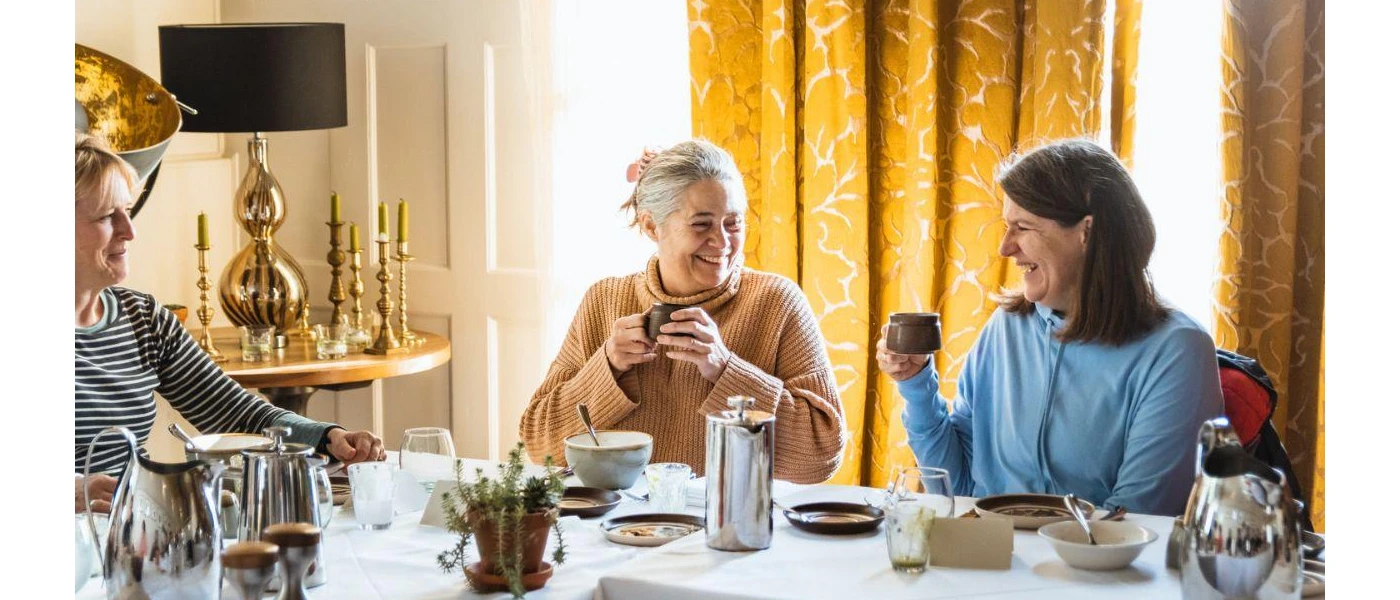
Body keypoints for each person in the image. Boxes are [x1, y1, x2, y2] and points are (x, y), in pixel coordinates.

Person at [876, 139, 1222, 516]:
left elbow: (1135, 519)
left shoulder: (1177, 350)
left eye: (1022, 227)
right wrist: (916, 383)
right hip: (992, 561)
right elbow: (960, 488)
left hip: (1095, 571)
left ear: (1086, 232)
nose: (1005, 248)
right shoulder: (1005, 329)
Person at [75, 132, 385, 513]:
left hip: (132, 534)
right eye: (108, 216)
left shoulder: (143, 319)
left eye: (127, 210)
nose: (130, 230)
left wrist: (327, 436)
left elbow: (236, 410)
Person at [519, 140, 845, 484]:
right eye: (702, 225)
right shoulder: (605, 300)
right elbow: (540, 445)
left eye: (733, 224)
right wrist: (608, 367)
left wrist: (725, 370)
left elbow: (822, 456)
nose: (722, 243)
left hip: (729, 526)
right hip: (619, 529)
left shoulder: (777, 302)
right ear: (650, 226)